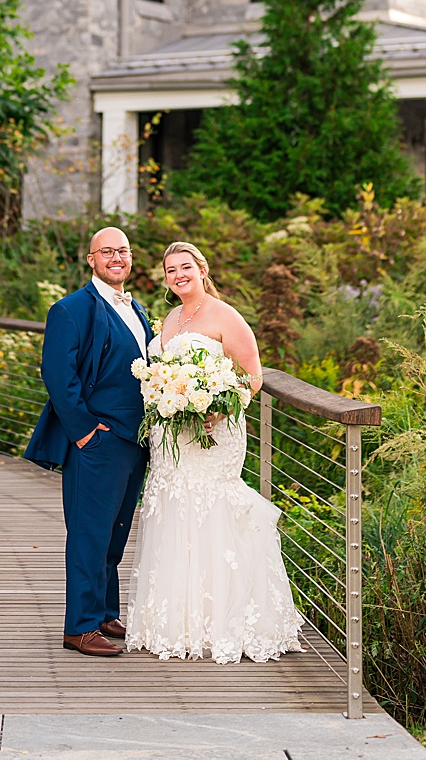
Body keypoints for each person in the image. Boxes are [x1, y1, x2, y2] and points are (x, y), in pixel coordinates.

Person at [123, 240, 305, 663]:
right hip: (173, 439)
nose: (178, 275)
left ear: (202, 270)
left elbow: (253, 377)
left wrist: (218, 410)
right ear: (166, 279)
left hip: (212, 433)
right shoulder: (169, 318)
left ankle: (228, 622)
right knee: (172, 509)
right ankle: (176, 623)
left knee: (213, 511)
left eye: (185, 267)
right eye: (170, 270)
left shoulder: (226, 316)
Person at [24, 226, 153, 658]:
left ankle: (102, 613)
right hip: (97, 441)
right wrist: (83, 432)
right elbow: (59, 376)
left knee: (114, 533)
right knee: (88, 533)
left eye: (124, 251)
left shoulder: (137, 309)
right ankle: (78, 627)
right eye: (107, 251)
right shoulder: (70, 309)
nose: (117, 257)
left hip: (136, 442)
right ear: (91, 259)